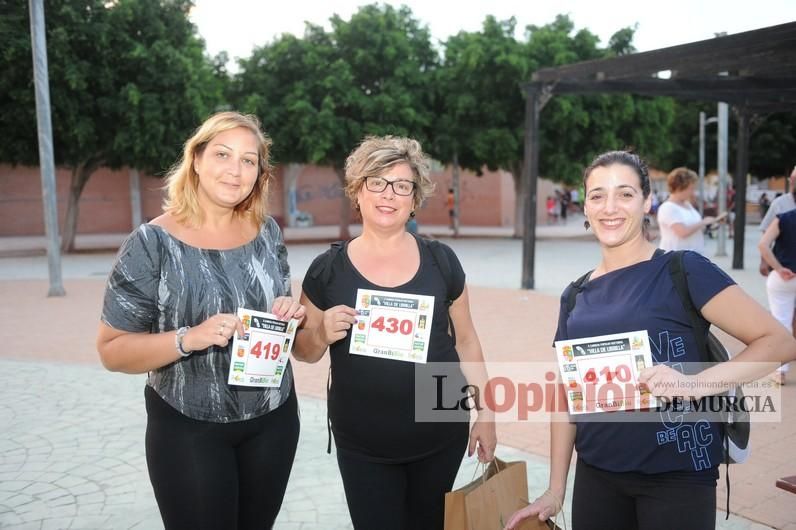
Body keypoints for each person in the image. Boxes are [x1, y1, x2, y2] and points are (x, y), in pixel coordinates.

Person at [505, 150, 796, 530]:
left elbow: (778, 341)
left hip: (676, 477)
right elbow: (567, 395)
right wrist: (556, 488)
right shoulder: (574, 295)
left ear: (646, 202)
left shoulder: (683, 269)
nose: (610, 207)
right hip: (597, 475)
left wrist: (694, 385)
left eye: (624, 194)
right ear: (586, 207)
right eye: (597, 195)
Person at [96, 112, 304, 530]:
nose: (236, 169)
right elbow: (112, 350)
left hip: (273, 418)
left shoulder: (267, 232)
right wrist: (189, 337)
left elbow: (278, 304)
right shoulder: (151, 243)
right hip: (188, 426)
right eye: (223, 154)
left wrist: (290, 312)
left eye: (249, 160)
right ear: (196, 159)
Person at [294, 136, 496, 530]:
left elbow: (467, 341)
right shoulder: (327, 270)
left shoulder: (441, 261)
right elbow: (303, 351)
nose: (389, 195)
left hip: (440, 433)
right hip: (364, 443)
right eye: (377, 182)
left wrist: (486, 413)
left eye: (402, 185)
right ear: (357, 189)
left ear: (414, 197)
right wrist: (321, 334)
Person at [758, 208, 796, 385]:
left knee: (782, 321)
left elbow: (763, 245)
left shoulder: (784, 218)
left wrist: (778, 268)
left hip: (785, 278)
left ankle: (780, 371)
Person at [656, 167, 722, 254]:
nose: (693, 192)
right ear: (680, 188)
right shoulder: (667, 208)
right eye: (691, 188)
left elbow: (694, 227)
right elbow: (682, 232)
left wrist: (711, 223)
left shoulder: (687, 205)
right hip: (676, 260)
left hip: (693, 256)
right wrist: (703, 222)